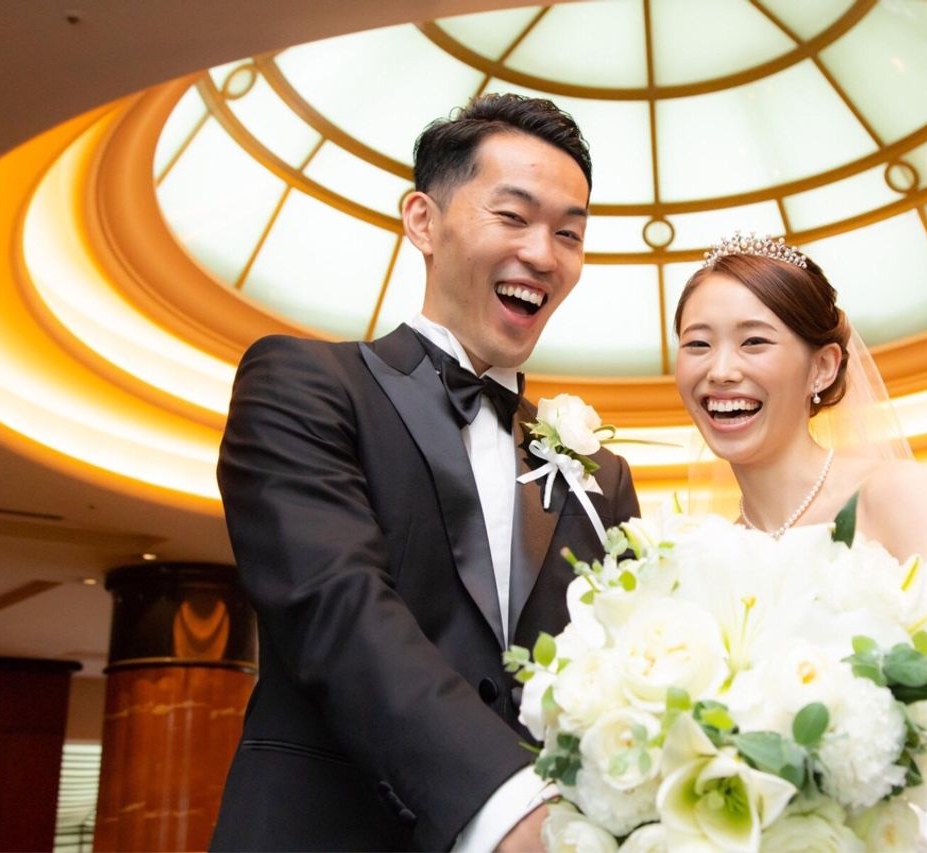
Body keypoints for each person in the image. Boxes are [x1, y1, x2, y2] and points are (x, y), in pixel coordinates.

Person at [211, 93, 639, 851]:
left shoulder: (599, 472)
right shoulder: (304, 384)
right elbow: (336, 610)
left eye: (569, 234)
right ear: (422, 220)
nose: (544, 255)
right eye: (513, 216)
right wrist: (506, 804)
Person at [673, 235, 927, 851]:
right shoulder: (699, 554)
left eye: (754, 341)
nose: (720, 370)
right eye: (697, 343)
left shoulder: (901, 495)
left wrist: (878, 842)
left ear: (823, 367)